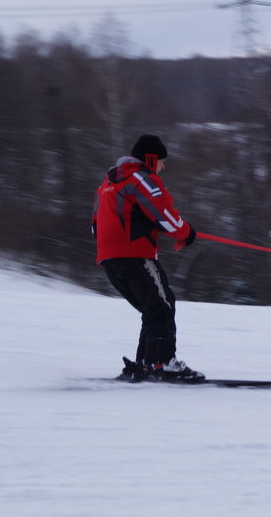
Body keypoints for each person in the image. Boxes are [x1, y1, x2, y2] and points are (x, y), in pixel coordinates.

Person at [92, 134, 203, 382]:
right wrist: (186, 232)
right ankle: (161, 362)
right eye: (162, 162)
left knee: (152, 308)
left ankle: (145, 363)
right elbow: (162, 212)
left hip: (109, 259)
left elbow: (95, 224)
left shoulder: (107, 184)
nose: (162, 168)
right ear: (151, 159)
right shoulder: (142, 178)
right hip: (134, 255)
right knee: (162, 306)